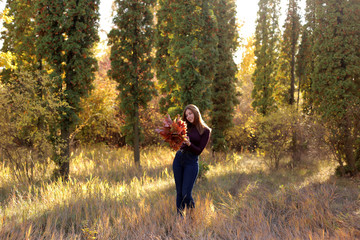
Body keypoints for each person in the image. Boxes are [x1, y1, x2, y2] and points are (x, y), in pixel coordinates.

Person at [172, 104, 211, 216]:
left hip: (191, 161)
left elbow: (199, 151)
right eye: (186, 114)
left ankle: (192, 214)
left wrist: (189, 144)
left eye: (190, 113)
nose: (188, 116)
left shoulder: (205, 130)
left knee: (186, 193)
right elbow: (177, 143)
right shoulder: (184, 127)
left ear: (196, 112)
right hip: (179, 159)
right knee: (179, 192)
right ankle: (179, 219)